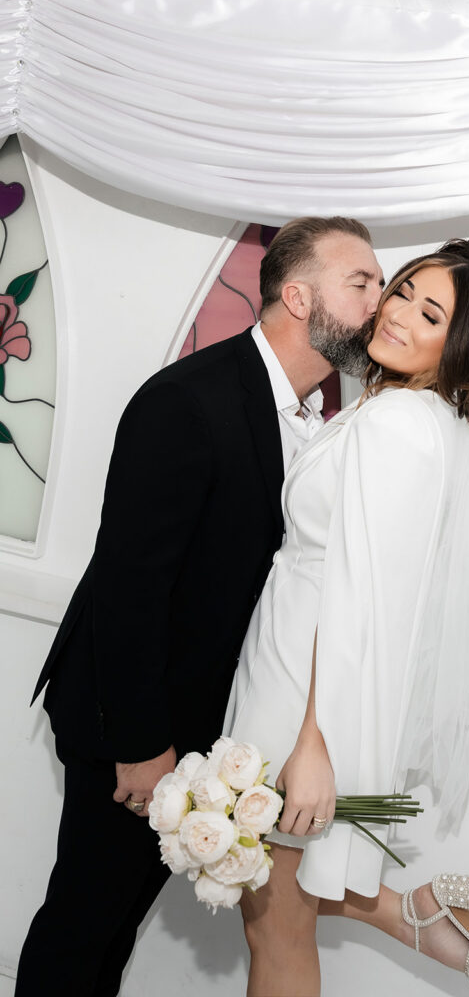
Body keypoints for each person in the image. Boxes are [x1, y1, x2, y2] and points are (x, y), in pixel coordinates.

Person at [16, 216, 384, 997]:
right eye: (362, 283)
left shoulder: (314, 419)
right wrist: (144, 746)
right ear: (296, 295)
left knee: (109, 934)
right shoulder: (189, 400)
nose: (378, 302)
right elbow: (129, 587)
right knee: (81, 931)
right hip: (132, 726)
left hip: (197, 734)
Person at [227, 236, 469, 997]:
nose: (396, 312)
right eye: (401, 291)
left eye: (428, 311)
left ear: (460, 343)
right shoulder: (413, 415)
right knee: (284, 903)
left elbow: (359, 599)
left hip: (303, 688)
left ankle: (427, 919)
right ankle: (428, 917)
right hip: (304, 671)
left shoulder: (394, 426)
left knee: (274, 929)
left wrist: (314, 745)